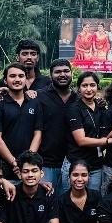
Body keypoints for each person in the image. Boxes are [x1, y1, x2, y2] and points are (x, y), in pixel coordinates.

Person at [68, 71, 112, 191]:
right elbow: (81, 140)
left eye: (92, 85)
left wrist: (111, 136)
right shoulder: (74, 109)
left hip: (96, 165)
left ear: (97, 87)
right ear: (79, 89)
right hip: (76, 164)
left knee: (93, 201)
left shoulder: (101, 108)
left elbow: (104, 135)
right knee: (73, 200)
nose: (89, 89)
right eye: (84, 86)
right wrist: (108, 141)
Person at [0, 64, 42, 168]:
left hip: (29, 167)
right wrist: (14, 162)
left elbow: (38, 134)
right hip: (4, 167)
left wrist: (28, 161)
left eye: (21, 76)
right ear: (5, 80)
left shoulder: (35, 103)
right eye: (12, 76)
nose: (17, 79)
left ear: (26, 79)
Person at [37, 58, 77, 192]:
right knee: (46, 201)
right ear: (50, 75)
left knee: (68, 204)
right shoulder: (39, 96)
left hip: (73, 163)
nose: (62, 75)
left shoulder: (79, 99)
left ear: (71, 73)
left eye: (66, 71)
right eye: (57, 72)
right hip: (46, 162)